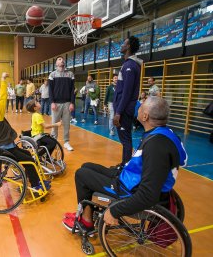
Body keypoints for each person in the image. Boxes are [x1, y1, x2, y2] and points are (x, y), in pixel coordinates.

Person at [62, 96, 188, 232]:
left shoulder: (156, 146)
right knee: (87, 166)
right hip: (131, 178)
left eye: (141, 106)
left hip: (129, 190)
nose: (137, 107)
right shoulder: (166, 134)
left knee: (81, 175)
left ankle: (86, 222)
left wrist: (115, 211)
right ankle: (86, 213)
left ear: (145, 116)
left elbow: (148, 195)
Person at [0, 72, 49, 191]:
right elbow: (3, 98)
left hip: (1, 147)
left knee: (28, 155)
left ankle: (31, 178)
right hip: (7, 149)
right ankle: (36, 185)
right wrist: (3, 79)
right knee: (30, 161)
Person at [113, 36, 142, 165]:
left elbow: (127, 92)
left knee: (126, 139)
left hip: (124, 110)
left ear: (129, 46)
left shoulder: (130, 65)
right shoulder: (127, 64)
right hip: (122, 109)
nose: (121, 45)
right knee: (125, 138)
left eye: (124, 43)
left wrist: (118, 112)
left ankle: (125, 166)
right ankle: (125, 163)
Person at [49, 56, 75, 151]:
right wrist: (52, 102)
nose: (61, 61)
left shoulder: (70, 74)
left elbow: (72, 90)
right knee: (54, 124)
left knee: (67, 124)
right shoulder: (52, 75)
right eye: (59, 60)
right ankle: (53, 142)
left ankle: (66, 142)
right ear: (56, 64)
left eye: (62, 59)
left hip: (67, 103)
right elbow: (50, 90)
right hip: (56, 103)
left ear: (64, 63)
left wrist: (72, 103)